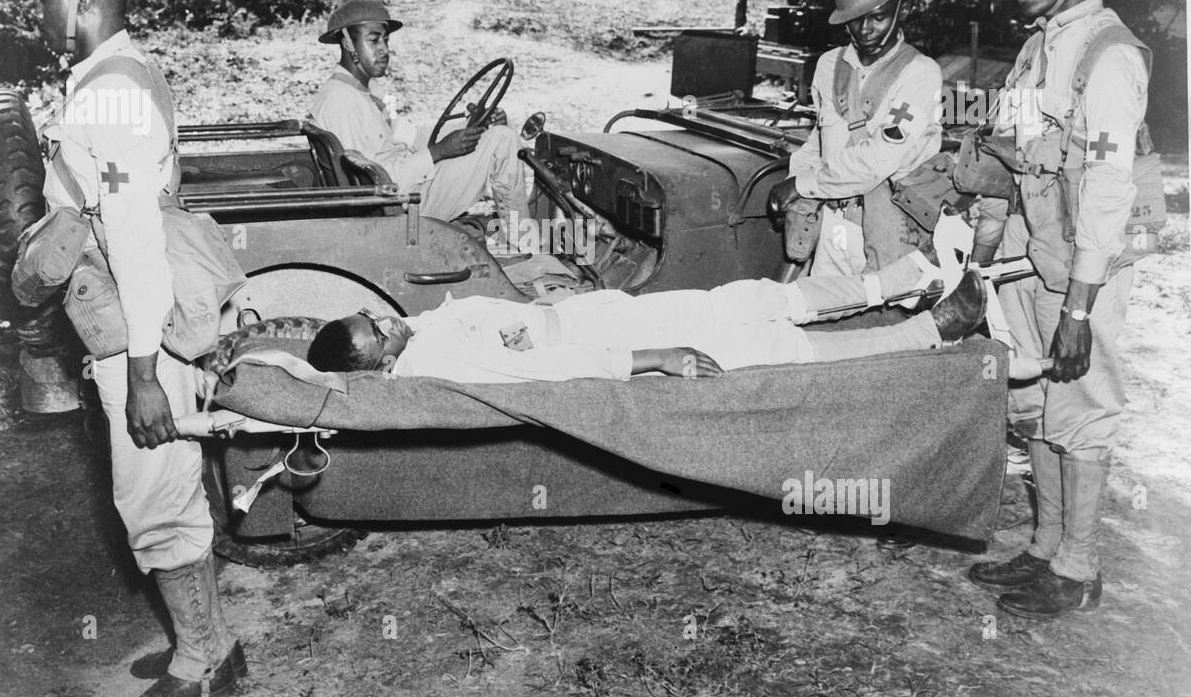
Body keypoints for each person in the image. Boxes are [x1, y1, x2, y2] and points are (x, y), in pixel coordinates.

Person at [9, 0, 246, 697]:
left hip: (145, 328)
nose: (38, 10)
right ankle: (205, 638)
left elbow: (138, 244)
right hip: (136, 320)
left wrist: (144, 375)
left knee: (152, 496)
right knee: (165, 486)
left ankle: (204, 659)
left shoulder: (109, 92)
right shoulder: (117, 74)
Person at [965, 0, 1150, 620]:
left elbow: (1108, 191)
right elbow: (1003, 162)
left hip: (1082, 272)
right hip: (1028, 259)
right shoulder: (1037, 50)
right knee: (1036, 406)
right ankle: (1044, 550)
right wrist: (980, 263)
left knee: (1084, 410)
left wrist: (1078, 308)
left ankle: (1079, 566)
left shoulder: (1109, 57)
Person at [306, 252, 988, 383]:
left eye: (374, 317)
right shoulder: (430, 362)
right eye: (376, 340)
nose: (386, 323)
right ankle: (930, 330)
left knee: (749, 299)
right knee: (766, 350)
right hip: (600, 340)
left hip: (589, 315)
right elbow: (550, 368)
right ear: (376, 367)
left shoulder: (417, 334)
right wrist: (654, 358)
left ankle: (905, 277)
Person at [771, 0, 945, 278]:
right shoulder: (829, 65)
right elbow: (819, 141)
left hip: (890, 230)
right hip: (833, 225)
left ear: (902, 9)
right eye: (855, 18)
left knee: (883, 323)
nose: (865, 30)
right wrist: (795, 189)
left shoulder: (920, 73)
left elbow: (880, 158)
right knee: (820, 317)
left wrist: (804, 184)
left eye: (877, 17)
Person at [307, 0, 530, 226]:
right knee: (503, 140)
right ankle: (521, 238)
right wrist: (438, 152)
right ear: (347, 43)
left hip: (407, 187)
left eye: (385, 40)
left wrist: (470, 126)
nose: (384, 49)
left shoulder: (366, 89)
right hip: (396, 206)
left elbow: (409, 136)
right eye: (373, 41)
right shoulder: (341, 100)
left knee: (496, 133)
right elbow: (375, 184)